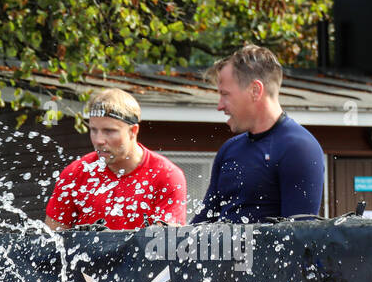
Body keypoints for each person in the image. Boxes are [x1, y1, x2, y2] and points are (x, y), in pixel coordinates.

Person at [193, 44, 325, 222]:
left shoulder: (299, 148)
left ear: (255, 90)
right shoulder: (229, 149)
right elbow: (202, 225)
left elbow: (299, 238)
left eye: (225, 94)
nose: (220, 105)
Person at [45, 89, 187, 230]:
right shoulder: (75, 173)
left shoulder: (167, 175)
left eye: (109, 131)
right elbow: (51, 243)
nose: (99, 140)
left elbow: (164, 245)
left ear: (133, 131)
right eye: (94, 130)